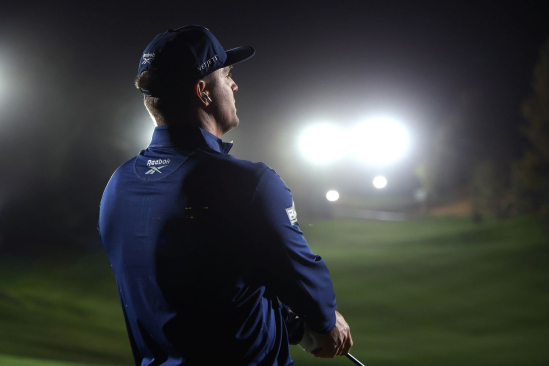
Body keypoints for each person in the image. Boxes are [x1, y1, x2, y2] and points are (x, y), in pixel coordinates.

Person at [98, 25, 352, 366]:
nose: (234, 85)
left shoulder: (117, 185)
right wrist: (324, 322)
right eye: (227, 75)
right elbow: (303, 279)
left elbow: (204, 287)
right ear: (203, 91)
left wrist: (290, 325)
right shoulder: (249, 183)